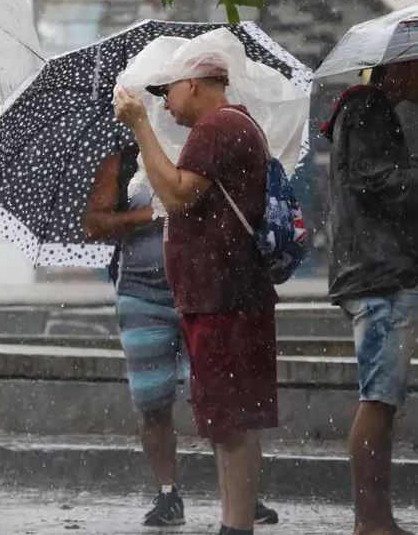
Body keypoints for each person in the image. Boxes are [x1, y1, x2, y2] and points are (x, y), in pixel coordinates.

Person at [113, 51, 278, 535]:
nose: (164, 105)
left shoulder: (218, 127)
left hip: (224, 297)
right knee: (227, 421)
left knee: (230, 422)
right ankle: (235, 523)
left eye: (166, 92)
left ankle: (236, 525)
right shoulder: (230, 127)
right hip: (222, 295)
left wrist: (141, 125)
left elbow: (178, 194)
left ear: (192, 83)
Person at [84, 147, 279, 529]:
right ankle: (168, 492)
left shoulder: (207, 156)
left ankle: (243, 496)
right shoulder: (124, 162)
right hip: (142, 297)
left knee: (221, 397)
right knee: (152, 401)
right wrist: (147, 214)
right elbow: (93, 224)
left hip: (206, 295)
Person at [323, 61, 418, 535]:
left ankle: (376, 518)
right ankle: (372, 521)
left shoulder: (366, 110)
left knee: (382, 397)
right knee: (378, 399)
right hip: (379, 273)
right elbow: (378, 183)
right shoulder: (366, 110)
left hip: (374, 269)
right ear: (400, 68)